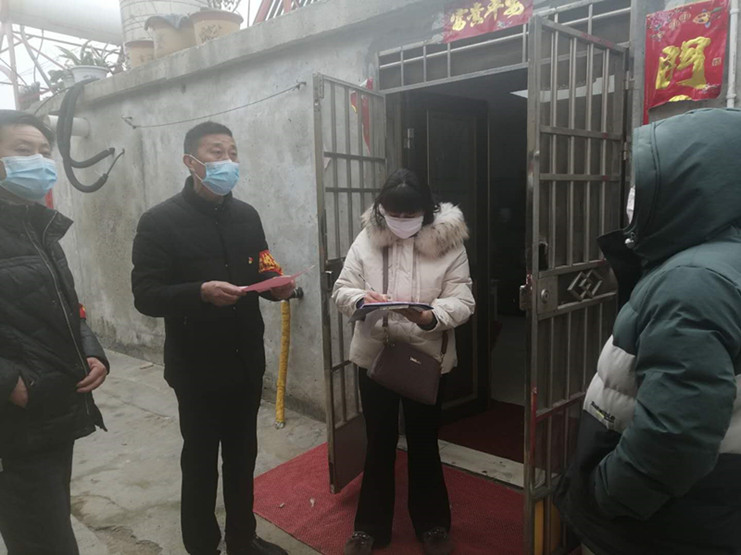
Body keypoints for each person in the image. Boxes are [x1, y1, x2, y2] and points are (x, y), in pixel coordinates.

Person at [555, 108, 741, 555]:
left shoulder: (692, 281)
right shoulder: (716, 261)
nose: (634, 195)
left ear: (691, 184)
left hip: (657, 525)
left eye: (646, 180)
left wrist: (609, 495)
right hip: (698, 510)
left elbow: (677, 433)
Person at [131, 121, 293, 555]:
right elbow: (145, 295)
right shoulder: (159, 221)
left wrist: (277, 285)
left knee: (242, 457)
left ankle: (243, 538)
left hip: (245, 361)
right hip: (196, 366)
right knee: (201, 461)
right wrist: (199, 293)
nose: (228, 162)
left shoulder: (247, 216)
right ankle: (202, 545)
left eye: (233, 153)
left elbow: (264, 265)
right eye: (217, 153)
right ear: (191, 161)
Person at [333, 169, 475, 555]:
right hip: (375, 356)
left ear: (426, 211)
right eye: (392, 214)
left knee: (424, 441)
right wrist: (361, 300)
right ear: (381, 210)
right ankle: (370, 528)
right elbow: (342, 288)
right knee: (378, 440)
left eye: (409, 215)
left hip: (425, 358)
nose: (400, 221)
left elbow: (463, 300)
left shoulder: (449, 245)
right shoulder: (367, 239)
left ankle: (432, 525)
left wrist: (430, 316)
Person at [0, 110, 108, 554]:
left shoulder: (36, 225)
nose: (40, 161)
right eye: (23, 151)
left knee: (49, 524)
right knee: (44, 540)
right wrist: (9, 381)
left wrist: (91, 350)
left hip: (53, 406)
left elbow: (67, 305)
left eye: (45, 152)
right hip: (15, 422)